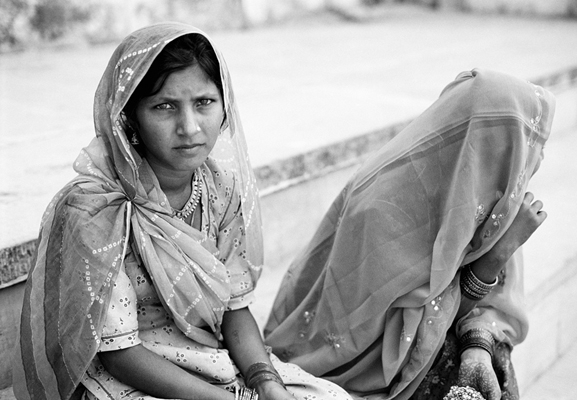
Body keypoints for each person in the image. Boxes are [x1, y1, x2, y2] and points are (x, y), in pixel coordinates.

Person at [12, 22, 353, 400]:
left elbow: (234, 310)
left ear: (225, 107)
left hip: (207, 359)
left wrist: (266, 383)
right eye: (164, 107)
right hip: (125, 376)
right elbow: (119, 354)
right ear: (129, 118)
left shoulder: (221, 187)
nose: (189, 127)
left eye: (204, 103)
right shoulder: (97, 208)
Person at [264, 69, 556, 400]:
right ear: (490, 146)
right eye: (521, 147)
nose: (533, 163)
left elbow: (490, 307)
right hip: (353, 360)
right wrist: (499, 254)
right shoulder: (381, 209)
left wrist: (479, 346)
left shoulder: (489, 193)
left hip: (418, 339)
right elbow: (399, 341)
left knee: (487, 356)